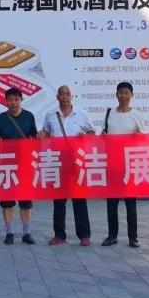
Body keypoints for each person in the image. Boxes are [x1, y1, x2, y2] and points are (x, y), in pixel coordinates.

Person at [40, 85, 95, 247]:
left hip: (76, 161)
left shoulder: (82, 114)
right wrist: (42, 134)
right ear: (57, 97)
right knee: (59, 200)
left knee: (79, 199)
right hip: (58, 161)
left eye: (67, 94)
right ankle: (59, 235)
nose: (64, 96)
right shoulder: (50, 115)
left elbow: (92, 132)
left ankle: (84, 235)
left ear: (72, 96)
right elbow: (46, 133)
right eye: (61, 94)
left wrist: (85, 136)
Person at [100, 82, 147, 248]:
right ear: (116, 95)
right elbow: (103, 135)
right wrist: (102, 136)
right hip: (112, 164)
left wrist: (138, 136)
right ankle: (112, 235)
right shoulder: (109, 113)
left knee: (130, 204)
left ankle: (133, 237)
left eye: (127, 92)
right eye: (120, 92)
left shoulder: (137, 115)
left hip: (130, 164)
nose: (123, 96)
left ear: (132, 95)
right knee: (111, 203)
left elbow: (144, 138)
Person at [0, 87, 38, 245]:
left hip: (25, 164)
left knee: (26, 201)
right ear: (6, 101)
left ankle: (26, 233)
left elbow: (34, 138)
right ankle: (9, 232)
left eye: (16, 99)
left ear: (21, 100)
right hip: (7, 165)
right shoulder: (0, 118)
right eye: (10, 99)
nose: (13, 102)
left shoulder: (29, 116)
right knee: (7, 201)